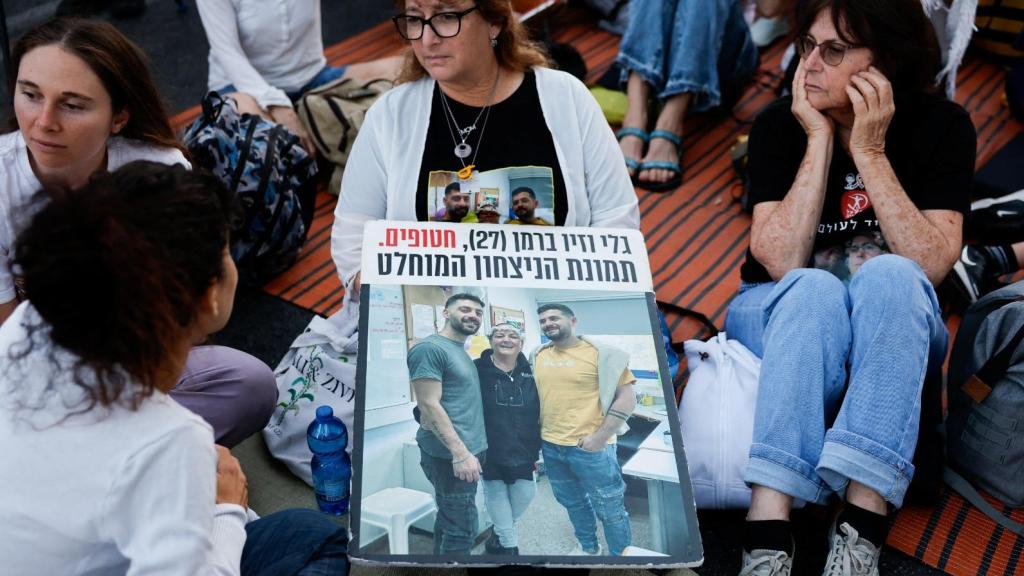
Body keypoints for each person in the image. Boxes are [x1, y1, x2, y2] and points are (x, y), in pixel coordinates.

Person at [723, 0, 976, 573]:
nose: (809, 63)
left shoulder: (942, 126)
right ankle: (767, 534)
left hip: (892, 324)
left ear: (884, 62)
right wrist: (819, 139)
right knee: (813, 288)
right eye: (806, 46)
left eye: (833, 51)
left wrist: (868, 149)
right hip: (777, 312)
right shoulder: (779, 125)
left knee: (892, 273)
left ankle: (860, 529)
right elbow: (780, 260)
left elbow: (930, 266)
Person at [0, 162, 348, 575]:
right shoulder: (171, 442)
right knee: (317, 538)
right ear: (208, 296)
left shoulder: (30, 323)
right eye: (226, 253)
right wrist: (227, 510)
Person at [0, 18, 276, 447]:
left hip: (138, 359)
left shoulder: (158, 170)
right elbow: (9, 340)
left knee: (251, 385)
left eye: (72, 105)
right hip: (33, 374)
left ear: (119, 117)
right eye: (30, 94)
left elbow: (183, 317)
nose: (43, 122)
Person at [331, 0, 640, 295]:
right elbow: (353, 235)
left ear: (494, 21)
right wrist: (389, 298)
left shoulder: (567, 97)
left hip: (556, 309)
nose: (427, 39)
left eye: (446, 17)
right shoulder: (391, 114)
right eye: (414, 19)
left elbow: (616, 217)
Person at [195, 0, 403, 154]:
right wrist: (276, 104)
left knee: (407, 70)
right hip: (243, 88)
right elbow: (227, 52)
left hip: (312, 78)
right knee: (260, 147)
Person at [614, 0, 758, 191]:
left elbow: (771, 9)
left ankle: (670, 123)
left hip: (722, 59)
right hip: (659, 51)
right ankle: (634, 119)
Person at [530, 303, 636, 556]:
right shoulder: (538, 354)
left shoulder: (602, 354)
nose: (548, 324)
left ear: (573, 321)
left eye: (554, 318)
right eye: (543, 320)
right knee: (573, 502)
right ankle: (589, 548)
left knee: (610, 508)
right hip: (551, 445)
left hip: (591, 448)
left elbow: (627, 398)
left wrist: (600, 438)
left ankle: (620, 560)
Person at [407, 293, 489, 555]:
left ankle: (438, 563)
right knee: (462, 530)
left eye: (478, 312)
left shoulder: (459, 350)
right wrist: (461, 454)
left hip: (468, 451)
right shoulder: (430, 348)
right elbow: (428, 405)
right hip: (450, 456)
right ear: (445, 313)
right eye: (465, 309)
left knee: (450, 518)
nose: (473, 315)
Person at [475, 323, 542, 555]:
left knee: (525, 493)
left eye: (513, 336)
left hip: (525, 447)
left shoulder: (533, 371)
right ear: (490, 341)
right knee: (495, 493)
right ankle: (509, 545)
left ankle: (500, 530)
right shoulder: (476, 369)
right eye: (499, 335)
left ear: (521, 343)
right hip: (490, 446)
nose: (506, 339)